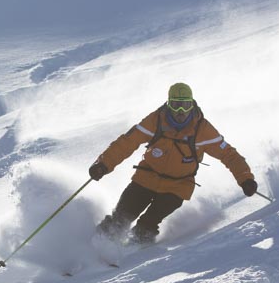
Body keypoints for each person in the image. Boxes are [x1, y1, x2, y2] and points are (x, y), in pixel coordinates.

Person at [88, 82, 257, 244]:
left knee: (148, 223)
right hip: (145, 178)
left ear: (192, 105)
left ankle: (134, 250)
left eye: (185, 105)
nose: (181, 111)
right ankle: (94, 247)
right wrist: (103, 164)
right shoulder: (156, 121)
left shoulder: (202, 130)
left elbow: (229, 155)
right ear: (169, 104)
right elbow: (127, 143)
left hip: (177, 186)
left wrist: (245, 179)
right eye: (176, 105)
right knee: (121, 218)